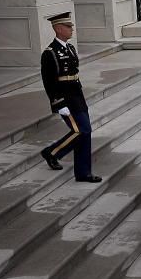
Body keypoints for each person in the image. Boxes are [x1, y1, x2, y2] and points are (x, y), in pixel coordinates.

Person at [39, 13, 100, 183]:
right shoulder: (49, 54)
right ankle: (52, 152)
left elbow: (74, 75)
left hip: (77, 96)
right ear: (58, 28)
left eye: (71, 26)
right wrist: (58, 103)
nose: (71, 29)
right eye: (68, 27)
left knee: (85, 133)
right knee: (82, 131)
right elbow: (48, 82)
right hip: (64, 99)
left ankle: (83, 173)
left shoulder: (70, 48)